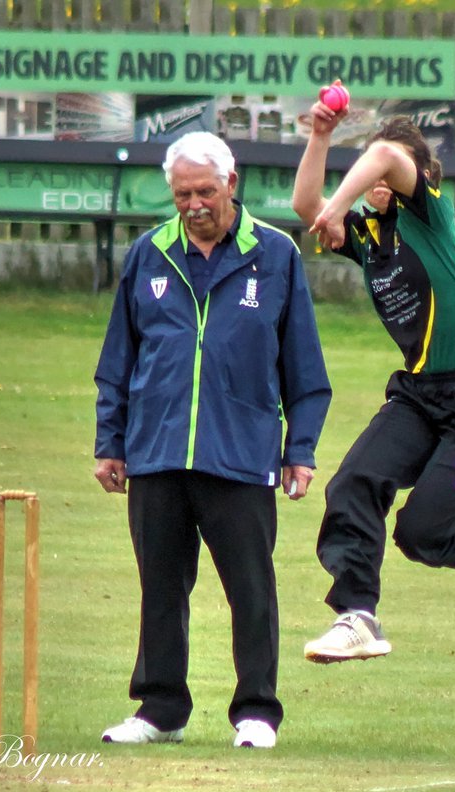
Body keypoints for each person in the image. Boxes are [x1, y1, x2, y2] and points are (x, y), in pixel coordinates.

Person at [93, 131, 331, 748]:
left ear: (231, 183)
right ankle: (160, 711)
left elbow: (305, 369)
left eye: (204, 191)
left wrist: (300, 450)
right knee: (160, 589)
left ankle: (256, 712)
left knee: (250, 590)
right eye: (182, 194)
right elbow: (118, 360)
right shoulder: (149, 253)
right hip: (157, 450)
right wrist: (110, 442)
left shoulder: (275, 255)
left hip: (242, 453)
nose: (194, 204)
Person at [292, 87, 455, 664]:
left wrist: (343, 202)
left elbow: (386, 155)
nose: (375, 176)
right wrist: (321, 136)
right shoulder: (371, 238)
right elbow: (305, 204)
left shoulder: (429, 216)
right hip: (419, 396)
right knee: (353, 484)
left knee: (420, 534)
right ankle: (356, 616)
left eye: (384, 171)